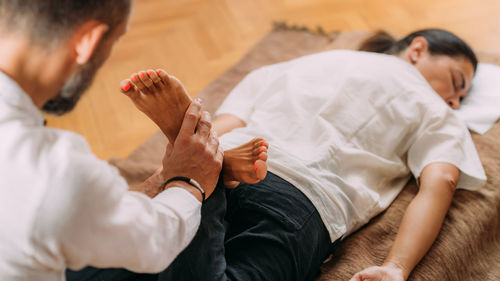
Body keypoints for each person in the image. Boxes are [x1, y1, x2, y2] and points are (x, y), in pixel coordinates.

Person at [77, 28, 485, 281]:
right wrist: (396, 267)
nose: (454, 101)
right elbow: (440, 183)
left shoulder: (305, 63)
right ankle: (202, 175)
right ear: (417, 49)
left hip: (234, 158)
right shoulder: (432, 108)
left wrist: (164, 179)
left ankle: (197, 174)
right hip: (301, 200)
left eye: (461, 98)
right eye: (456, 82)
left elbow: (227, 126)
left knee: (99, 269)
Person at [0, 1, 268, 280]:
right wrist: (189, 180)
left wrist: (164, 176)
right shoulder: (56, 169)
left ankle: (181, 162)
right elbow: (154, 242)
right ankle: (203, 160)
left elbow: (82, 221)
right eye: (114, 41)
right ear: (87, 42)